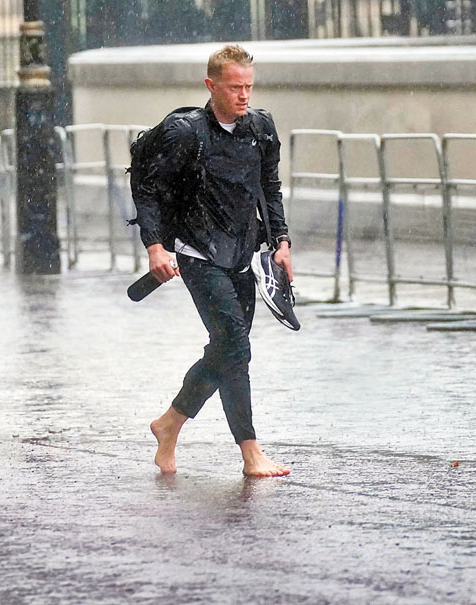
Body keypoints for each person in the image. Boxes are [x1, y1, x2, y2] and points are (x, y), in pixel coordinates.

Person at [135, 44, 294, 477]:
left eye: (249, 87)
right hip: (198, 253)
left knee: (226, 350)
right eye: (235, 88)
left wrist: (281, 242)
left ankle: (169, 424)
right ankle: (250, 453)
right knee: (236, 347)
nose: (244, 96)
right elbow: (148, 189)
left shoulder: (260, 128)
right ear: (211, 86)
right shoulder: (186, 133)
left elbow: (271, 188)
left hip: (244, 254)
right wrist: (154, 246)